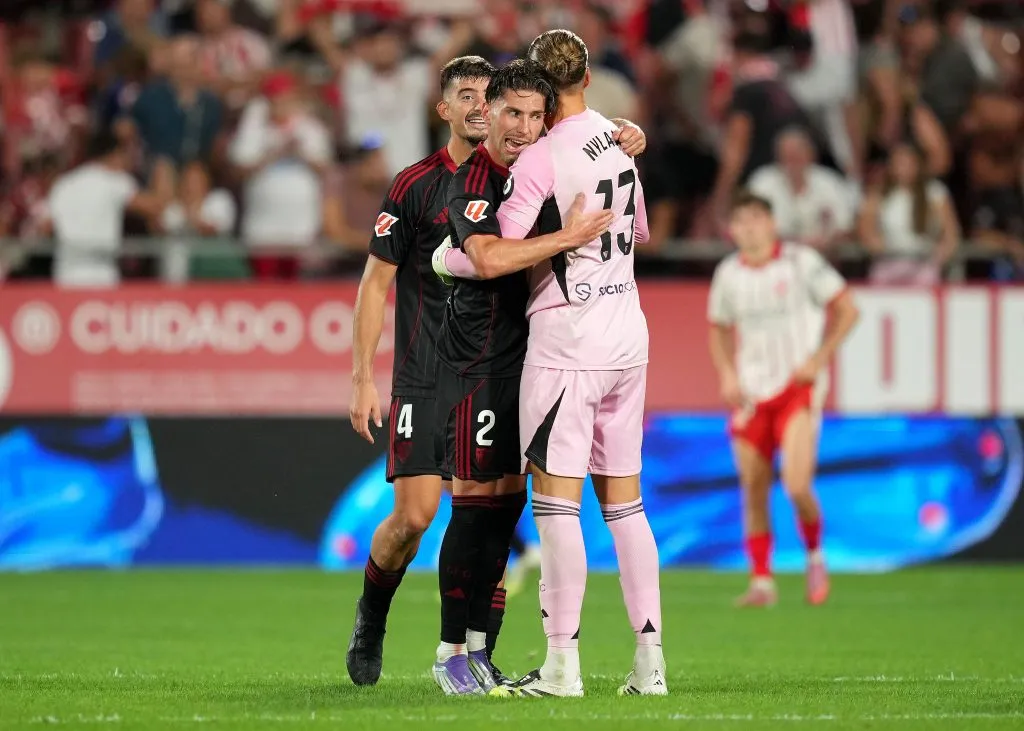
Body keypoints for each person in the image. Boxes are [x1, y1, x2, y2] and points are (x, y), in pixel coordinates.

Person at [347, 55, 647, 689]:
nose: (488, 112)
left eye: (515, 108)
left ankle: (475, 651)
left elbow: (588, 146)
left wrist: (622, 133)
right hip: (434, 366)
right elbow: (385, 281)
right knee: (419, 517)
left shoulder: (537, 165)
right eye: (473, 98)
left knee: (501, 510)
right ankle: (390, 626)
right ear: (450, 109)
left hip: (517, 360)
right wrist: (361, 377)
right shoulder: (429, 184)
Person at [437, 30, 666, 698]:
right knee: (627, 507)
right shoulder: (618, 140)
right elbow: (641, 231)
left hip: (569, 345)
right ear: (588, 78)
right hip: (629, 337)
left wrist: (446, 259)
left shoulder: (542, 157)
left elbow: (496, 254)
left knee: (557, 509)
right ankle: (649, 664)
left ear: (538, 84)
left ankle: (563, 666)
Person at [707, 190, 860, 608]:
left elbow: (848, 309)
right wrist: (727, 374)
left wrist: (819, 358)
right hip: (751, 393)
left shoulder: (801, 262)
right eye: (741, 221)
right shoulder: (728, 273)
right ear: (732, 229)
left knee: (796, 485)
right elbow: (718, 327)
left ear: (772, 223)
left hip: (797, 387)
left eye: (756, 218)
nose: (749, 227)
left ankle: (814, 555)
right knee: (754, 487)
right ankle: (762, 582)